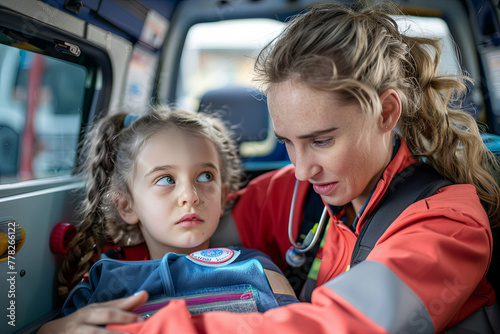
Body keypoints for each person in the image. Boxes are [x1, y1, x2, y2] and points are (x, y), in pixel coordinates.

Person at [40, 2, 500, 333]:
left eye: (321, 141)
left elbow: (340, 327)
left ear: (385, 113)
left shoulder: (448, 225)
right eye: (287, 143)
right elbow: (179, 243)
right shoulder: (293, 195)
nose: (301, 171)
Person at [38, 108, 298, 333]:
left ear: (223, 194)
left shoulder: (257, 269)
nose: (190, 196)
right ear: (127, 205)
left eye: (206, 177)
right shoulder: (102, 283)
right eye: (166, 180)